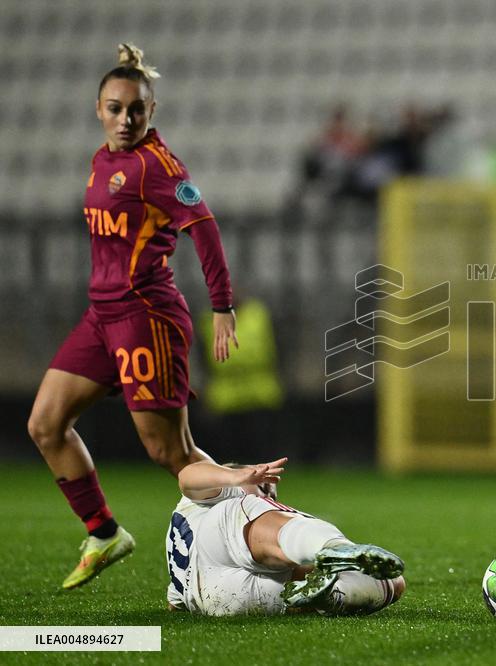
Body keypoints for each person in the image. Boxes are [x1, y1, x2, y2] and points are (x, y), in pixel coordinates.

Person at [26, 44, 238, 589]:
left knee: (171, 453)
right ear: (99, 108)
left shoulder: (158, 166)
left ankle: (258, 519)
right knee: (46, 424)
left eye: (136, 110)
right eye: (115, 108)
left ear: (152, 111)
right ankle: (104, 532)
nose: (126, 119)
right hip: (102, 316)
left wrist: (222, 306)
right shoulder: (103, 160)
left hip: (146, 315)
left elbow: (205, 226)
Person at [166, 458, 405, 617]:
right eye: (265, 484)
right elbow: (187, 475)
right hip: (218, 546)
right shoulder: (226, 493)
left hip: (218, 601)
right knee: (249, 507)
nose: (270, 493)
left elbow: (174, 605)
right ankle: (334, 547)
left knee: (394, 583)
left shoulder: (182, 532)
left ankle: (334, 594)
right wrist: (238, 476)